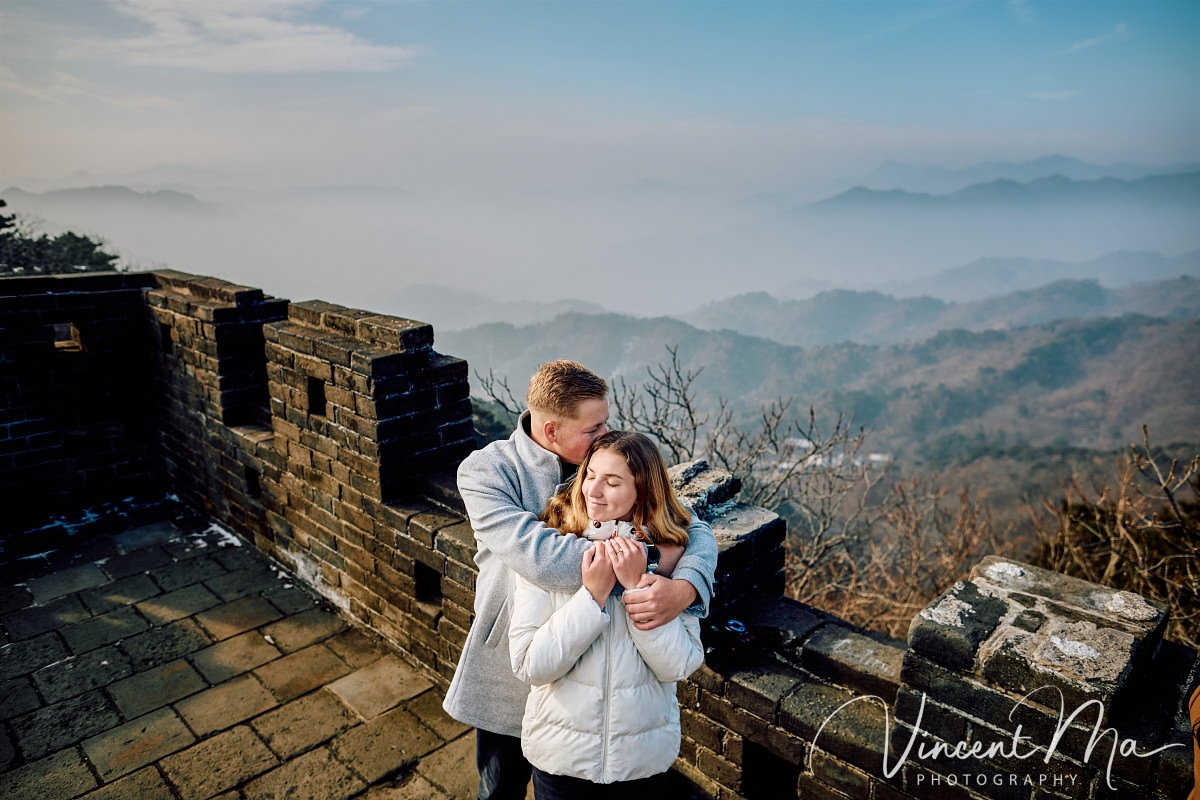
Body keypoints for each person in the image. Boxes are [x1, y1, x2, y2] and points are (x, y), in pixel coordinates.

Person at [443, 360, 717, 800]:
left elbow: (691, 526)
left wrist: (687, 586)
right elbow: (542, 559)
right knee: (499, 790)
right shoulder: (486, 473)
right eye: (594, 428)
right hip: (515, 657)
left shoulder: (598, 460)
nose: (605, 433)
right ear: (552, 431)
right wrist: (648, 559)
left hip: (598, 675)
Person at [510, 431, 706, 798]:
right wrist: (591, 597)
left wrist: (636, 588)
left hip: (641, 762)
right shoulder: (551, 548)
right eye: (590, 475)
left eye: (612, 482)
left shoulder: (674, 555)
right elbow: (530, 666)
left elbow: (678, 665)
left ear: (643, 491)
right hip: (560, 758)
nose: (593, 491)